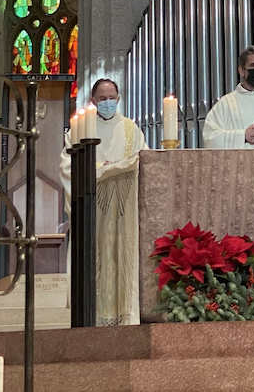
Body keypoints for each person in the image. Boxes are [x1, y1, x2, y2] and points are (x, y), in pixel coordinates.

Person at [59, 79, 148, 325]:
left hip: (123, 214)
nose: (108, 103)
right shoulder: (79, 131)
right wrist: (102, 170)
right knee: (94, 265)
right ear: (93, 101)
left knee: (122, 265)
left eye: (112, 98)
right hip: (92, 211)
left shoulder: (132, 129)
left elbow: (145, 163)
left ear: (118, 99)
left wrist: (115, 170)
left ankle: (126, 319)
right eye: (102, 98)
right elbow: (67, 167)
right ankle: (89, 320)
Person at [203, 46, 254, 148]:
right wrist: (243, 136)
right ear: (241, 70)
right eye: (253, 65)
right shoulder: (225, 104)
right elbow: (210, 138)